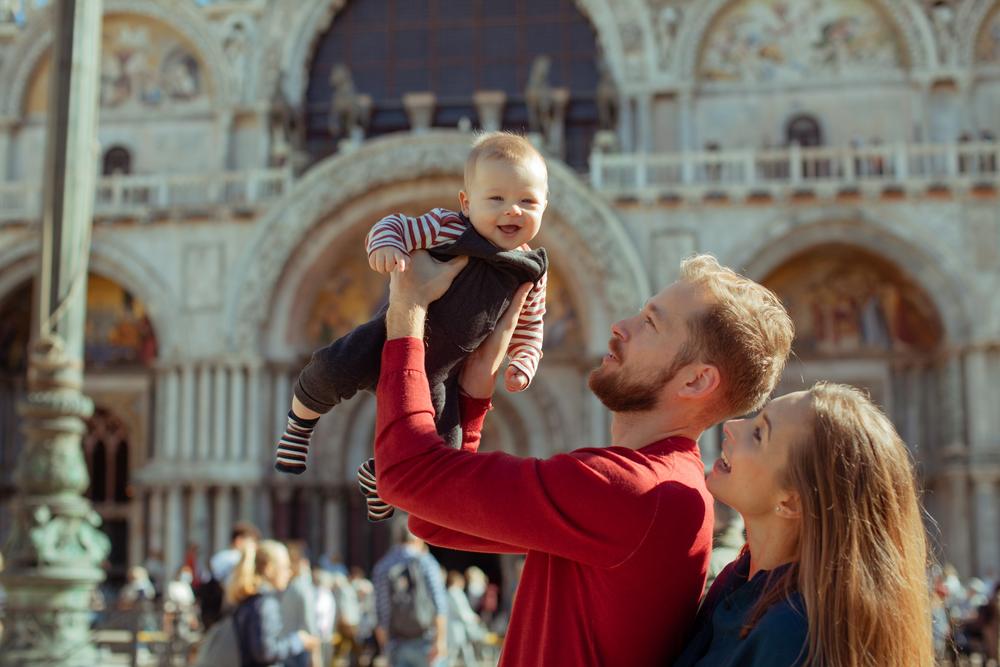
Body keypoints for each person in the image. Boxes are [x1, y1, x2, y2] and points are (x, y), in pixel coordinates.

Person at [373, 251, 794, 664]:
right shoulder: (658, 484)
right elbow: (432, 517)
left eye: (650, 323)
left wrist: (408, 313)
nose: (619, 326)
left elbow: (405, 473)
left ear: (697, 379)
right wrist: (473, 393)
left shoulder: (638, 491)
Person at [273, 132, 550, 522]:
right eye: (496, 199)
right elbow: (394, 225)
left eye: (527, 201)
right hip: (389, 337)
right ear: (466, 204)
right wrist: (385, 247)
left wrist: (523, 360)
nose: (513, 211)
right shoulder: (448, 228)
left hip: (439, 372)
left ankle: (381, 478)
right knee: (331, 368)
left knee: (442, 450)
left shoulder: (532, 271)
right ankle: (298, 428)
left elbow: (530, 325)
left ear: (544, 207)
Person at [674, 382, 933, 666]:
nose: (732, 426)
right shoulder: (738, 580)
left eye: (759, 433)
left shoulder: (792, 638)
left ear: (792, 502)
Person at [226, 540, 319, 667]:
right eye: (285, 567)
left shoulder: (249, 599)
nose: (289, 573)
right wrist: (298, 641)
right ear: (269, 568)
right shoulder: (265, 603)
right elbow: (266, 652)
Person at [372, 522, 448, 666]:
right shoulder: (426, 562)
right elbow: (439, 603)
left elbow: (381, 612)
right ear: (417, 538)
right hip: (426, 640)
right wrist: (440, 641)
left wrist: (386, 648)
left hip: (397, 642)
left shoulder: (383, 566)